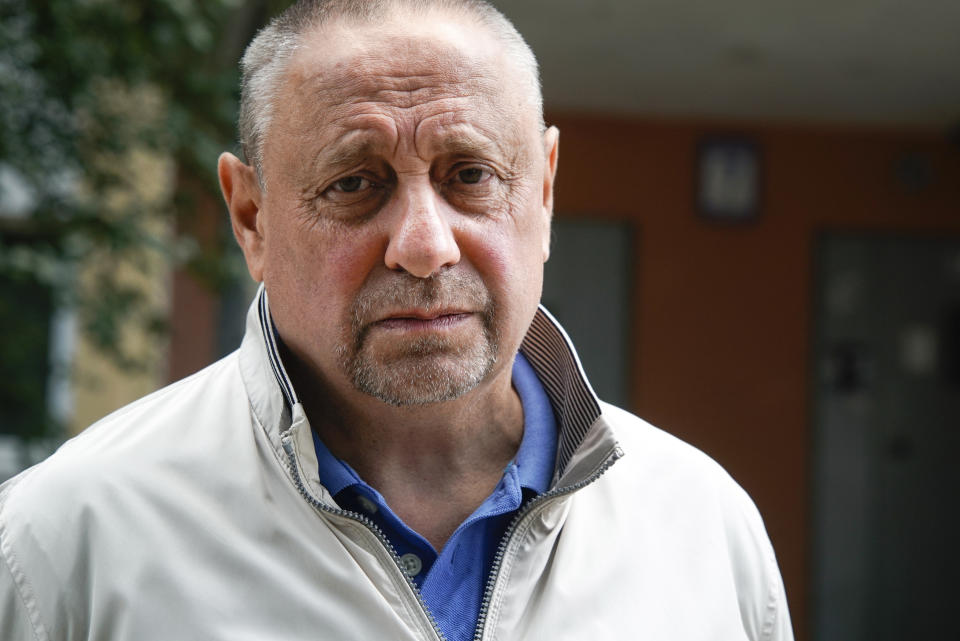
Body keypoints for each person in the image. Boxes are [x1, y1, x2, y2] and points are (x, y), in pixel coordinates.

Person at [0, 1, 793, 639]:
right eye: (354, 183)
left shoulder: (701, 524)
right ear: (251, 218)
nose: (424, 245)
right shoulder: (65, 544)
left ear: (544, 194)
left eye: (471, 175)